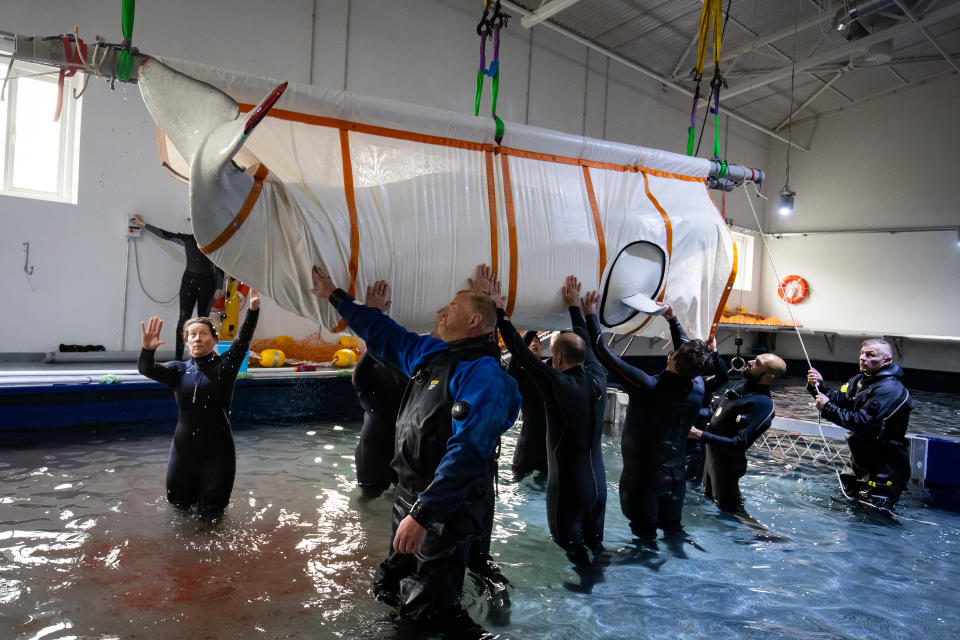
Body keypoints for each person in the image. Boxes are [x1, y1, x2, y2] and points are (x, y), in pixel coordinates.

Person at [309, 264, 520, 634]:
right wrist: (335, 296)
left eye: (451, 307)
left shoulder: (485, 376)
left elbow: (468, 451)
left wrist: (423, 514)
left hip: (445, 507)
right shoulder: (430, 354)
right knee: (390, 586)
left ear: (473, 320)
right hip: (409, 496)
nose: (441, 311)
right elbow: (383, 332)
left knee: (430, 612)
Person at [487, 270, 607, 567]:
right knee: (596, 551)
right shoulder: (598, 377)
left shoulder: (556, 382)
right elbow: (588, 346)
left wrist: (500, 310)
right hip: (599, 488)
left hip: (568, 489)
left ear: (558, 360)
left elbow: (518, 350)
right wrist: (577, 309)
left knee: (570, 553)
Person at [582, 294, 707, 541]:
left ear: (671, 357)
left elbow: (603, 352)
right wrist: (673, 320)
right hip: (675, 478)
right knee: (674, 531)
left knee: (644, 538)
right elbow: (686, 354)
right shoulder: (698, 387)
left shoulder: (647, 387)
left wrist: (590, 314)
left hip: (643, 481)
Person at [137, 289, 260, 516]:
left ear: (214, 339)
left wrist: (253, 311)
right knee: (177, 508)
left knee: (213, 515)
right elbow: (146, 369)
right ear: (186, 340)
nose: (197, 338)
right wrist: (147, 349)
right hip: (183, 453)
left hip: (218, 454)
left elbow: (243, 341)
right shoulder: (178, 370)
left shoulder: (225, 367)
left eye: (203, 333)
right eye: (192, 334)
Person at [807, 339, 915, 506]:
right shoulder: (859, 380)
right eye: (862, 353)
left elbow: (863, 423)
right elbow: (840, 400)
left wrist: (827, 408)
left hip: (884, 469)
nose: (863, 358)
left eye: (870, 355)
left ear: (886, 360)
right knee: (845, 505)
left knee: (873, 520)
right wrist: (818, 386)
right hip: (860, 462)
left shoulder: (890, 389)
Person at [689, 353, 786, 513]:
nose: (750, 362)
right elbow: (715, 412)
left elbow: (739, 443)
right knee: (709, 500)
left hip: (727, 465)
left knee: (732, 512)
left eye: (757, 363)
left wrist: (699, 435)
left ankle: (761, 536)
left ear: (769, 377)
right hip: (711, 457)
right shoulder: (741, 385)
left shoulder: (762, 405)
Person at [133, 214, 224, 360]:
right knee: (183, 321)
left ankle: (203, 356)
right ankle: (178, 358)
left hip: (207, 284)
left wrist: (219, 286)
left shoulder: (212, 243)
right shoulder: (187, 239)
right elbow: (165, 235)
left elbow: (219, 266)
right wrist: (144, 224)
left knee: (203, 321)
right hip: (189, 283)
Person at [660, 307, 729, 484]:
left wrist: (714, 353)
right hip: (670, 443)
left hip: (693, 445)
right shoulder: (662, 383)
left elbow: (723, 378)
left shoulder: (699, 384)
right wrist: (672, 320)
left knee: (690, 484)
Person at [352, 281, 406, 498]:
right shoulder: (366, 385)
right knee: (368, 506)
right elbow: (370, 352)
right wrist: (374, 315)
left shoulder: (414, 374)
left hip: (405, 455)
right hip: (373, 457)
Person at [506, 330, 549, 482]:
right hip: (527, 447)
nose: (534, 343)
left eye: (537, 341)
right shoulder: (519, 376)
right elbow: (516, 355)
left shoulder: (552, 372)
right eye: (531, 343)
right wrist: (533, 327)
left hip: (548, 450)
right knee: (517, 484)